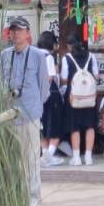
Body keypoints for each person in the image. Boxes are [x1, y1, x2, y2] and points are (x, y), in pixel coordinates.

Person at [0, 16, 47, 206]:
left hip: (31, 112)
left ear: (28, 33)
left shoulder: (38, 55)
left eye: (19, 30)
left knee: (32, 155)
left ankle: (34, 194)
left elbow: (44, 88)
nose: (15, 34)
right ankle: (19, 193)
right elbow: (3, 80)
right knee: (16, 156)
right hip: (11, 113)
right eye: (12, 30)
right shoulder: (5, 55)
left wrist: (36, 107)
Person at [64, 38, 102, 166]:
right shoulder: (92, 57)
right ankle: (88, 156)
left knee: (74, 127)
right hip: (89, 97)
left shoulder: (67, 58)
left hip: (74, 98)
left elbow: (64, 78)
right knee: (90, 126)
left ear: (71, 46)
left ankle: (76, 158)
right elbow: (96, 76)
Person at [37, 31, 69, 166]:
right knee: (55, 126)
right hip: (51, 95)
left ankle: (45, 155)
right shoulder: (48, 57)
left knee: (42, 126)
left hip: (38, 96)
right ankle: (48, 157)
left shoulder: (35, 55)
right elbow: (50, 77)